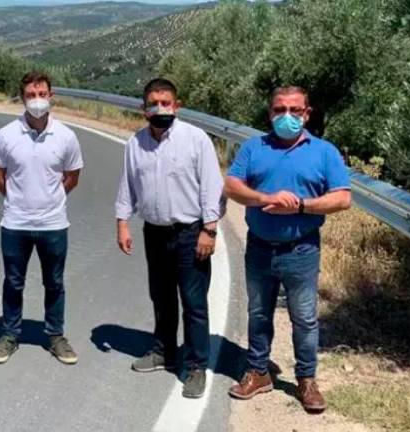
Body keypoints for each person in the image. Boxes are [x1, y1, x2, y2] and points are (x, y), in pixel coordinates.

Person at [225, 86, 351, 412]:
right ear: (270, 113)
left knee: (305, 318)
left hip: (302, 250)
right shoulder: (254, 147)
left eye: (295, 110)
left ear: (307, 114)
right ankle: (258, 372)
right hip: (260, 248)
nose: (287, 116)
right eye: (280, 109)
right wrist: (267, 199)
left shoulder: (324, 152)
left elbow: (342, 198)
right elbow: (232, 185)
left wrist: (300, 207)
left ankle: (306, 380)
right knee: (258, 313)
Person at [115, 78, 224, 398]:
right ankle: (164, 352)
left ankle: (195, 366)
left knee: (193, 303)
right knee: (161, 297)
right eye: (153, 103)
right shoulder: (135, 143)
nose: (159, 108)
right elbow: (128, 185)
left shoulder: (196, 140)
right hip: (154, 233)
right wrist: (122, 221)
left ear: (177, 106)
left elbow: (212, 189)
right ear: (143, 108)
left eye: (166, 103)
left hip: (191, 234)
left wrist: (209, 230)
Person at [0, 71, 84, 365]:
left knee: (54, 282)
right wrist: (18, 199)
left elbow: (72, 176)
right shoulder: (5, 135)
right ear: (22, 97)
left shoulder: (66, 136)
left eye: (42, 95)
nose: (37, 101)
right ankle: (10, 334)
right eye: (31, 95)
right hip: (15, 224)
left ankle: (55, 336)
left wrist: (50, 200)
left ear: (51, 96)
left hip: (53, 224)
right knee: (13, 282)